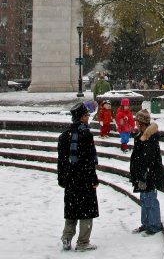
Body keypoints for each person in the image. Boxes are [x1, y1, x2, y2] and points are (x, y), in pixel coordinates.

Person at [57, 102, 99, 252]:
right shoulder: (86, 135)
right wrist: (93, 179)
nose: (88, 117)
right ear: (81, 118)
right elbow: (89, 161)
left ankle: (66, 238)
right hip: (84, 179)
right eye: (87, 115)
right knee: (86, 212)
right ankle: (83, 242)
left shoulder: (64, 136)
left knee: (72, 210)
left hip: (70, 179)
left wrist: (62, 179)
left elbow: (61, 161)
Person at [130, 109, 164, 236]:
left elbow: (148, 159)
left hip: (149, 174)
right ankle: (145, 223)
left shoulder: (150, 138)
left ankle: (154, 225)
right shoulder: (141, 135)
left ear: (141, 122)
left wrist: (144, 174)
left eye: (137, 121)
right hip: (142, 173)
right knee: (144, 199)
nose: (136, 123)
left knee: (150, 199)